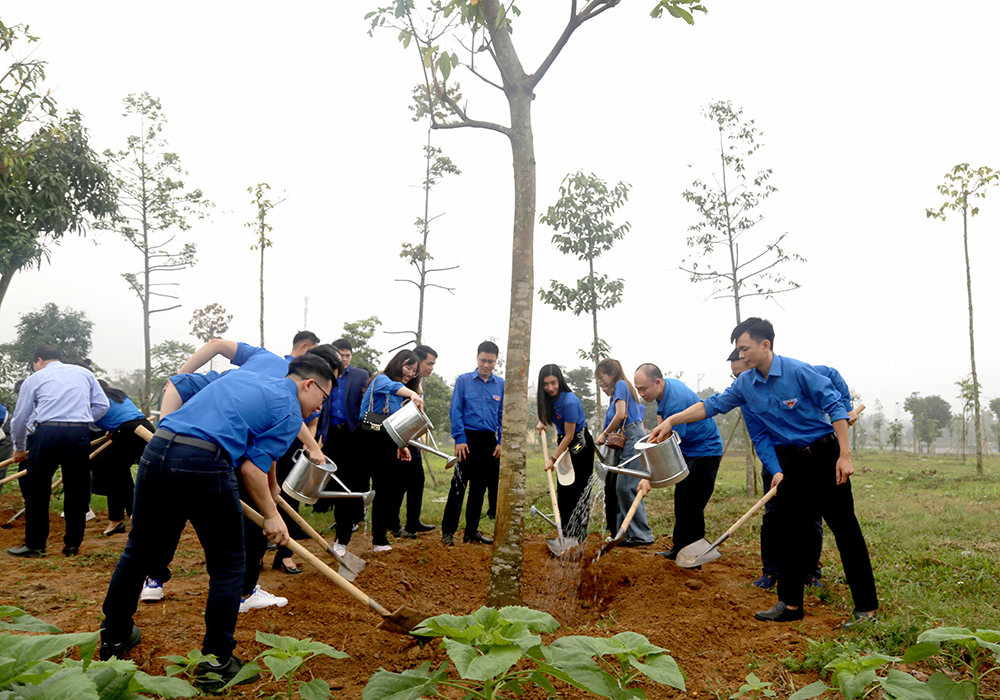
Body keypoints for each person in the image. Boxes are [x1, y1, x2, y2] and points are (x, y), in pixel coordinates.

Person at [97, 354, 334, 690]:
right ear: (308, 384)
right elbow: (251, 469)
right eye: (323, 398)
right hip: (205, 461)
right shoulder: (289, 410)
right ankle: (216, 663)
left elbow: (258, 463)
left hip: (159, 448)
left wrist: (272, 500)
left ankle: (114, 638)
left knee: (138, 551)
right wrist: (270, 516)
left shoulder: (244, 379)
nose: (320, 408)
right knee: (228, 564)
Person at [650, 318, 878, 629]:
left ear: (765, 345)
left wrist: (845, 455)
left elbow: (835, 406)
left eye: (744, 348)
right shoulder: (746, 385)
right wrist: (672, 420)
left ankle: (866, 608)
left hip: (825, 455)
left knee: (845, 530)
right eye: (737, 350)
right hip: (790, 462)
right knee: (789, 532)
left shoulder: (798, 371)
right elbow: (712, 406)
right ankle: (791, 603)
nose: (740, 355)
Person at [727, 349, 857, 590]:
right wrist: (776, 470)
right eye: (735, 377)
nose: (741, 381)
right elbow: (760, 437)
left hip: (810, 456)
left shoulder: (795, 374)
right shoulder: (746, 397)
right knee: (775, 516)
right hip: (776, 459)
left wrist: (846, 407)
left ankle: (809, 572)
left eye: (744, 372)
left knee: (810, 517)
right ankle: (772, 571)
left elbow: (831, 374)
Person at [8, 345, 109, 558]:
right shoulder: (84, 373)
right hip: (78, 435)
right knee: (76, 489)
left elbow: (20, 418)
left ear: (39, 360)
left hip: (47, 434)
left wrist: (19, 448)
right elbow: (102, 405)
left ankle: (35, 545)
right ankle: (72, 545)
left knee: (37, 490)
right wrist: (82, 419)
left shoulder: (35, 378)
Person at [633, 363, 723, 559]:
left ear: (657, 382)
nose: (640, 394)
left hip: (705, 450)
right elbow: (660, 416)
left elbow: (670, 446)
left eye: (643, 388)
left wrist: (649, 476)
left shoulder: (676, 400)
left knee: (692, 501)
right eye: (637, 389)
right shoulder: (665, 389)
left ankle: (695, 555)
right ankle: (679, 547)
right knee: (681, 499)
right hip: (689, 449)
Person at [270, 345, 344, 574]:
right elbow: (293, 416)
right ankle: (270, 554)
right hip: (280, 440)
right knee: (274, 496)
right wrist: (311, 445)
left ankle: (284, 554)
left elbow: (313, 419)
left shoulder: (320, 388)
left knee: (290, 498)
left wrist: (311, 444)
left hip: (301, 444)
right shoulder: (291, 381)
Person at [159, 331, 320, 420]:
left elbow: (215, 344)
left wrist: (161, 438)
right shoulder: (302, 388)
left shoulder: (260, 356)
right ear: (304, 347)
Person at [355, 350, 424, 552]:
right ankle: (343, 537)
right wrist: (413, 394)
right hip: (366, 433)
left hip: (386, 442)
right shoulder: (380, 380)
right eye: (407, 367)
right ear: (396, 363)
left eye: (414, 371)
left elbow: (394, 426)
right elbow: (393, 391)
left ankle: (379, 539)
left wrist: (401, 445)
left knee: (384, 491)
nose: (410, 373)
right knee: (358, 486)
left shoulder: (400, 398)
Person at [441, 341, 504, 547]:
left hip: (489, 441)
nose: (486, 365)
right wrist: (459, 438)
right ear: (477, 358)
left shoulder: (501, 385)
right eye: (483, 360)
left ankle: (471, 532)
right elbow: (456, 410)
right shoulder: (464, 381)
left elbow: (503, 415)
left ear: (496, 361)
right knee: (458, 485)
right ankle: (448, 532)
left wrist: (501, 441)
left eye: (491, 361)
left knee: (479, 489)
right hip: (467, 440)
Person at [315, 338, 369, 558]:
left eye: (347, 355)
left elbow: (367, 406)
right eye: (340, 355)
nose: (344, 359)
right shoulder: (324, 374)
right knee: (323, 482)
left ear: (352, 356)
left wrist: (370, 433)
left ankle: (342, 538)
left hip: (352, 435)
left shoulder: (360, 376)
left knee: (348, 485)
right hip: (327, 437)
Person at [594, 358, 653, 547]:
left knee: (626, 486)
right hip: (630, 439)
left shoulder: (621, 384)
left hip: (631, 439)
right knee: (620, 488)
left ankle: (642, 535)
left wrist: (604, 434)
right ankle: (624, 534)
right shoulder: (622, 390)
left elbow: (621, 415)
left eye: (603, 379)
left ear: (612, 374)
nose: (602, 384)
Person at [535, 364, 595, 540]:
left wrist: (553, 459)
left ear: (560, 381)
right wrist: (542, 422)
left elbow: (569, 436)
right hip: (566, 442)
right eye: (546, 384)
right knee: (565, 490)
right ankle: (568, 535)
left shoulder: (569, 401)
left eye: (554, 383)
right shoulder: (550, 399)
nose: (550, 388)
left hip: (579, 445)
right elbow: (556, 424)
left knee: (579, 491)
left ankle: (579, 538)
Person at [91, 380, 155, 536]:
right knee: (127, 474)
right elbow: (120, 415)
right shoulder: (118, 394)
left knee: (113, 476)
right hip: (143, 426)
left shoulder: (96, 399)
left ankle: (117, 520)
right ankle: (133, 512)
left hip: (128, 432)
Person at [389, 344, 438, 538]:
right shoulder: (402, 383)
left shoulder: (419, 383)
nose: (431, 367)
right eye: (429, 363)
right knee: (399, 483)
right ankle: (393, 524)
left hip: (413, 440)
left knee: (417, 480)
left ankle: (413, 521)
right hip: (400, 439)